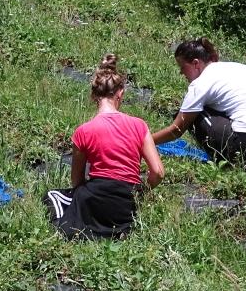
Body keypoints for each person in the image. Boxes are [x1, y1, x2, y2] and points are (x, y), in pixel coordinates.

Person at [46, 54, 164, 239]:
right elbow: (157, 172)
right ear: (121, 93)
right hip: (126, 203)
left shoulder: (83, 131)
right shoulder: (139, 125)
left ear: (93, 95)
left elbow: (77, 182)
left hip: (94, 198)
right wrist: (140, 192)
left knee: (52, 196)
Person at [153, 38, 246, 171]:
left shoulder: (201, 83)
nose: (181, 72)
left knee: (191, 115)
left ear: (196, 63)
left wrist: (146, 141)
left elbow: (177, 129)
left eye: (183, 67)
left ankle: (227, 162)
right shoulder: (240, 68)